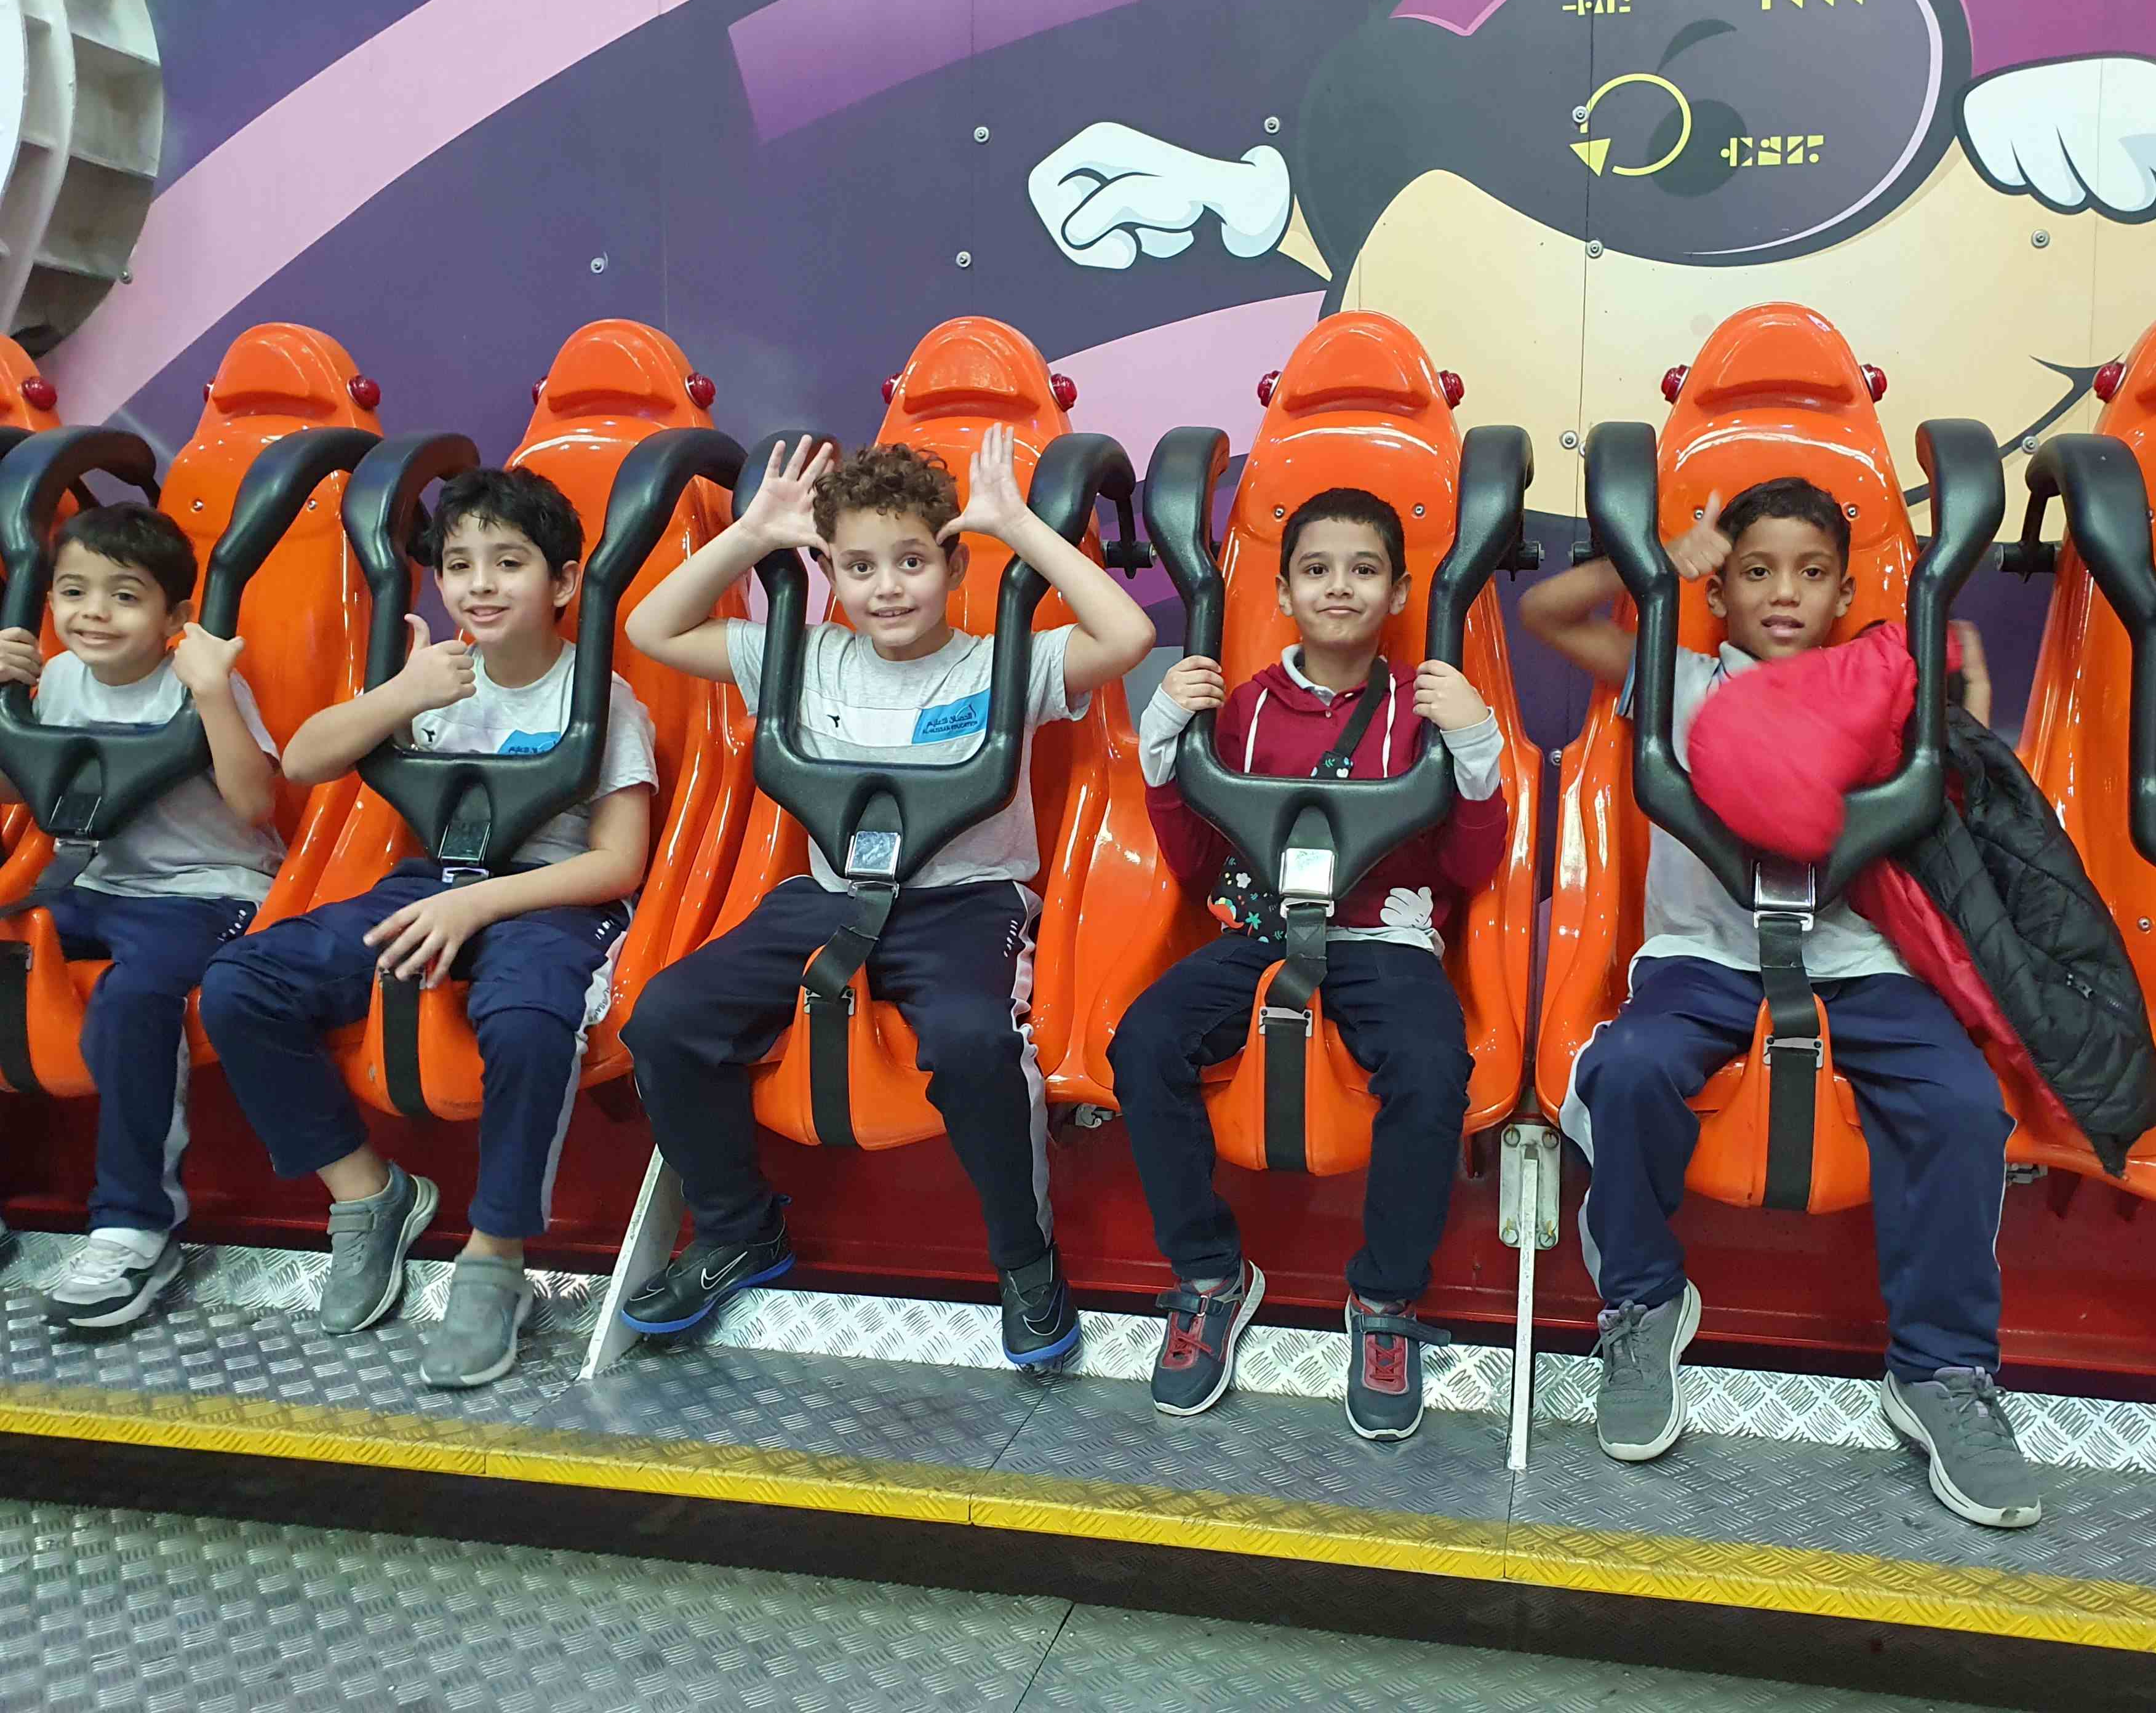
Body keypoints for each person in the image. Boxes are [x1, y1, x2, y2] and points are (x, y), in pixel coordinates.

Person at [1519, 475, 2040, 1529]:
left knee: (1962, 1107)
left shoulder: (1882, 688)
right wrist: (1665, 562)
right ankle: (1642, 1305)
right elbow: (1546, 615)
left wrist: (1971, 714)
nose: (1784, 593)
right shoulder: (1682, 678)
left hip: (1862, 963)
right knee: (1626, 1072)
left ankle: (1941, 1371)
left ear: (1845, 593)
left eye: (1810, 574)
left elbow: (1959, 812)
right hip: (1705, 960)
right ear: (1721, 592)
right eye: (1757, 572)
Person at [618, 424, 1154, 1368]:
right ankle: (741, 1230)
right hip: (827, 895)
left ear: (953, 565)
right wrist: (753, 535)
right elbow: (650, 630)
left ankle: (1025, 1260)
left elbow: (1128, 637)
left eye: (912, 561)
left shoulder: (1001, 665)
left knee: (973, 1043)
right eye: (859, 567)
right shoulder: (804, 658)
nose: (888, 587)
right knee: (665, 1018)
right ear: (828, 572)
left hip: (964, 903)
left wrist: (1018, 528)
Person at [199, 467, 658, 1388]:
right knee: (241, 984)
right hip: (427, 882)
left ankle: (496, 1258)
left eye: (509, 563)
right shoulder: (429, 677)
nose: (480, 584)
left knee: (528, 1022)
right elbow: (306, 760)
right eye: (459, 565)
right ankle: (368, 1195)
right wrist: (403, 693)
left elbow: (618, 863)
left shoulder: (601, 699)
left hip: (546, 902)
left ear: (565, 582)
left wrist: (477, 903)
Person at [1109, 487, 1506, 1440]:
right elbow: (1194, 861)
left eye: (1364, 571)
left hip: (1382, 942)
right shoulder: (1246, 710)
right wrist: (1164, 743)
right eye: (1317, 570)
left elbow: (1470, 868)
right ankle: (1209, 1276)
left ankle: (1384, 1300)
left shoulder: (1424, 705)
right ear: (1284, 591)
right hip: (1258, 933)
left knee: (1432, 1071)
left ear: (1399, 592)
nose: (1340, 587)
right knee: (1144, 1042)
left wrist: (1475, 744)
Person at [0, 505, 282, 1329]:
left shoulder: (198, 682)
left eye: (123, 596)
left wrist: (213, 693)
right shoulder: (57, 680)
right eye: (74, 592)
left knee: (133, 999)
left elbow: (255, 803)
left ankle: (134, 1227)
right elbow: (20, 789)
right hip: (95, 883)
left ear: (175, 617)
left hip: (207, 889)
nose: (94, 612)